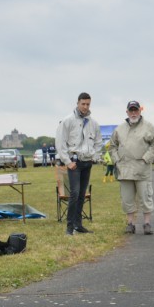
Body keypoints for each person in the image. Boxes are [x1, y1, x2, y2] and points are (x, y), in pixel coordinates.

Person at [110, 101, 154, 235]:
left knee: (145, 197)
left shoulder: (148, 126)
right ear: (127, 112)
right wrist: (117, 160)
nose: (133, 113)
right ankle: (130, 224)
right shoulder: (119, 129)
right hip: (125, 170)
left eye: (136, 110)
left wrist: (146, 158)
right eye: (131, 110)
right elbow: (112, 146)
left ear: (140, 111)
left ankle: (147, 223)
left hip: (142, 169)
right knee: (127, 199)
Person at [55, 92, 103, 235]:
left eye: (88, 104)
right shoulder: (68, 121)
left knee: (82, 194)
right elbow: (60, 142)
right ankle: (69, 227)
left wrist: (94, 156)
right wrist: (67, 161)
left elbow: (98, 142)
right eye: (83, 104)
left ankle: (78, 225)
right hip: (74, 162)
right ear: (77, 103)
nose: (85, 106)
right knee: (74, 193)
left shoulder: (93, 123)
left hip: (87, 162)